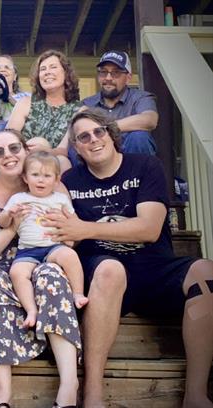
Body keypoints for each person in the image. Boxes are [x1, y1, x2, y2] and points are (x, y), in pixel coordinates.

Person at [47, 108, 213, 408]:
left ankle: (196, 394)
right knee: (111, 270)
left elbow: (149, 229)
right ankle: (93, 394)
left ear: (112, 134)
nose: (93, 139)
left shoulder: (145, 166)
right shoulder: (70, 181)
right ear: (76, 148)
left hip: (154, 267)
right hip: (102, 272)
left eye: (99, 132)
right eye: (83, 137)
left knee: (205, 272)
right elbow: (65, 232)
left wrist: (85, 228)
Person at [0, 129, 82, 408]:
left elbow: (72, 237)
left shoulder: (53, 186)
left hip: (44, 259)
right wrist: (10, 230)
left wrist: (59, 233)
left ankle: (69, 385)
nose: (8, 156)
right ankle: (2, 393)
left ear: (26, 151)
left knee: (51, 274)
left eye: (14, 148)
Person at [0, 151, 88, 328]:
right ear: (25, 178)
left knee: (70, 256)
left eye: (47, 176)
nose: (41, 180)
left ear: (56, 180)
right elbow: (2, 223)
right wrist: (9, 214)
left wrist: (69, 238)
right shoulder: (19, 199)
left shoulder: (60, 199)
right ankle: (31, 310)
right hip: (27, 250)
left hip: (54, 246)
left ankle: (78, 293)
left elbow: (74, 222)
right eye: (35, 175)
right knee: (17, 273)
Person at [7, 50, 81, 173]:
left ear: (66, 73)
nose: (47, 72)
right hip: (23, 158)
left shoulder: (78, 110)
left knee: (63, 161)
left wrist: (45, 150)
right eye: (43, 69)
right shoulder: (25, 103)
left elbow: (63, 150)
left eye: (53, 67)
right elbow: (9, 138)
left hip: (54, 163)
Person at [82, 50, 158, 155]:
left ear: (128, 78)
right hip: (100, 158)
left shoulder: (140, 98)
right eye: (103, 72)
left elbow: (149, 120)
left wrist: (109, 128)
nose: (108, 78)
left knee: (139, 137)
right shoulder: (88, 104)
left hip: (132, 157)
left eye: (116, 73)